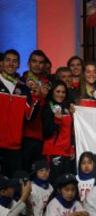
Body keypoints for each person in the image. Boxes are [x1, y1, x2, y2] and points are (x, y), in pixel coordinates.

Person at [0, 49, 37, 177]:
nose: (11, 64)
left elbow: (29, 116)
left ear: (19, 65)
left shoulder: (23, 88)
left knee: (12, 185)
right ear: (2, 63)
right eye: (8, 60)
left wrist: (35, 96)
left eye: (15, 61)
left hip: (14, 146)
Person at [21, 50, 50, 172]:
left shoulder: (48, 84)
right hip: (24, 135)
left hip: (42, 136)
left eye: (41, 62)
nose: (37, 65)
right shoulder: (20, 82)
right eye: (34, 61)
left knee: (39, 175)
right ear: (28, 63)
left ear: (44, 65)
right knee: (24, 173)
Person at [42, 80, 75, 183]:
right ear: (52, 92)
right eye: (58, 91)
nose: (61, 94)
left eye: (63, 92)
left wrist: (72, 147)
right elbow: (46, 132)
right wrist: (56, 120)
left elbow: (71, 131)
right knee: (55, 184)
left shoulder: (68, 108)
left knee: (66, 184)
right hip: (53, 151)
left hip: (67, 153)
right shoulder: (48, 107)